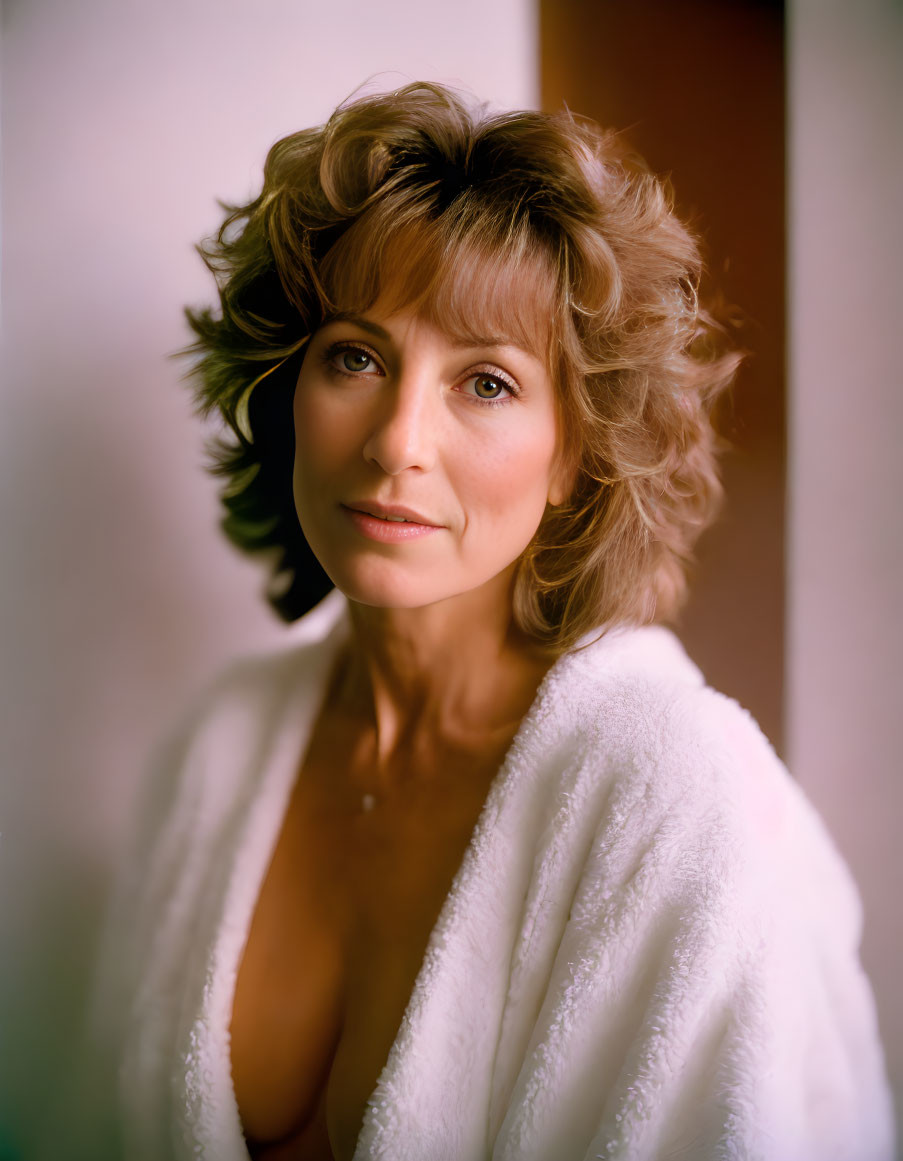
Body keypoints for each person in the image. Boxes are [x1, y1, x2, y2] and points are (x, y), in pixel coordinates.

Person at [56, 82, 894, 1161]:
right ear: (287, 392)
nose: (398, 439)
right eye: (355, 357)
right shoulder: (214, 750)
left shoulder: (685, 800)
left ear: (575, 456)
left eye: (487, 382)